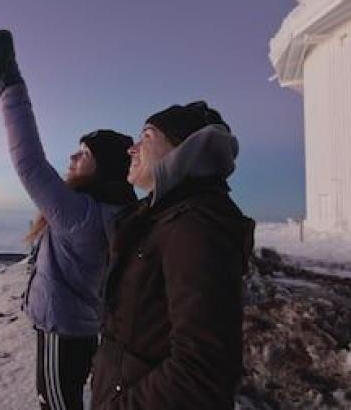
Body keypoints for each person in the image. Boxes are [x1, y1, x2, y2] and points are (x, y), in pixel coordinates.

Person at [0, 29, 137, 410]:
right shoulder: (118, 212)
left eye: (83, 154)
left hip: (62, 328)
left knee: (56, 404)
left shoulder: (80, 213)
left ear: (102, 167)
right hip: (85, 325)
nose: (72, 158)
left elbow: (29, 162)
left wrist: (9, 83)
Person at [90, 102, 256, 410]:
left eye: (147, 137)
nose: (132, 149)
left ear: (185, 150)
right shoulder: (160, 219)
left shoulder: (195, 226)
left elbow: (203, 369)